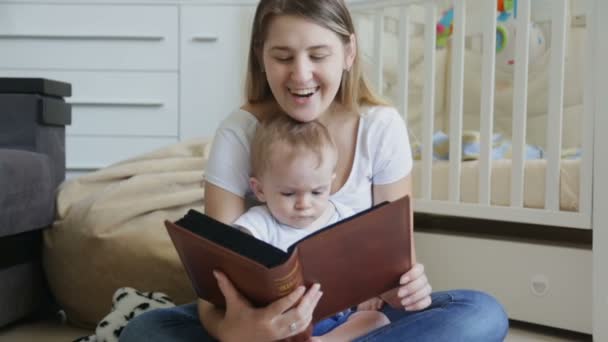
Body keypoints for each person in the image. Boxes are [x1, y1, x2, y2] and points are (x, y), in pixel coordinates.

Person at [120, 0, 509, 341]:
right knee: (146, 331)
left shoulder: (380, 127)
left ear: (348, 51)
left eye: (318, 55)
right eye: (283, 56)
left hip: (357, 317)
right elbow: (213, 289)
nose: (301, 75)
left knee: (481, 313)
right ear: (261, 55)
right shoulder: (239, 133)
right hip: (259, 323)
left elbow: (395, 271)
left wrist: (409, 287)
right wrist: (236, 333)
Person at [233, 114, 389, 341]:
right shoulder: (259, 223)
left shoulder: (342, 216)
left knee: (377, 320)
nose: (304, 204)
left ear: (330, 183)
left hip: (338, 318)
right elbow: (237, 252)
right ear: (259, 190)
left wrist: (369, 292)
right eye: (288, 193)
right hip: (284, 323)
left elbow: (364, 263)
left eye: (317, 192)